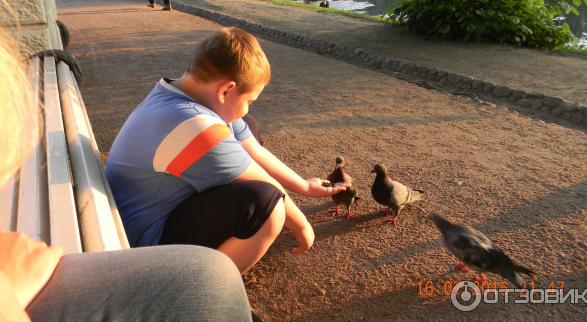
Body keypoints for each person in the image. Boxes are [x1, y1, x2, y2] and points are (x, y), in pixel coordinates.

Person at [0, 29, 253, 321]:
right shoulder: (191, 119)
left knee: (213, 277)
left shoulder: (178, 102)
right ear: (226, 90)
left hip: (52, 251)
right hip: (133, 232)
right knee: (216, 278)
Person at [106, 27, 345, 274]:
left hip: (158, 211)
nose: (248, 108)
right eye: (250, 101)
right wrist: (302, 226)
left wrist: (304, 187)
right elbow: (266, 185)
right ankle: (200, 289)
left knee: (248, 128)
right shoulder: (195, 128)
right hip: (147, 247)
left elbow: (254, 152)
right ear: (226, 90)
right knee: (267, 207)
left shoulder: (181, 94)